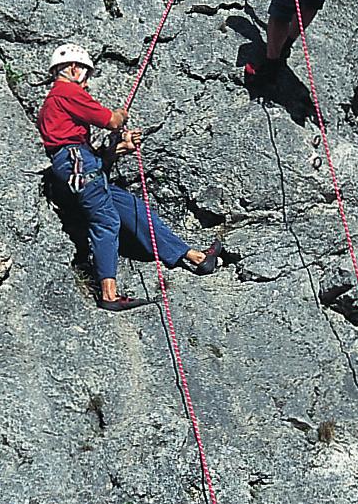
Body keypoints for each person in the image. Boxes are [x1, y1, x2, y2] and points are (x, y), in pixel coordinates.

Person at [38, 43, 223, 312]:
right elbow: (111, 121)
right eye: (87, 76)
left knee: (133, 208)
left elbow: (89, 159)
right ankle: (108, 294)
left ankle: (194, 257)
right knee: (106, 220)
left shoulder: (57, 105)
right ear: (74, 69)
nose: (87, 84)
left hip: (79, 165)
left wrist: (121, 147)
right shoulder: (66, 91)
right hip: (77, 163)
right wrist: (120, 118)